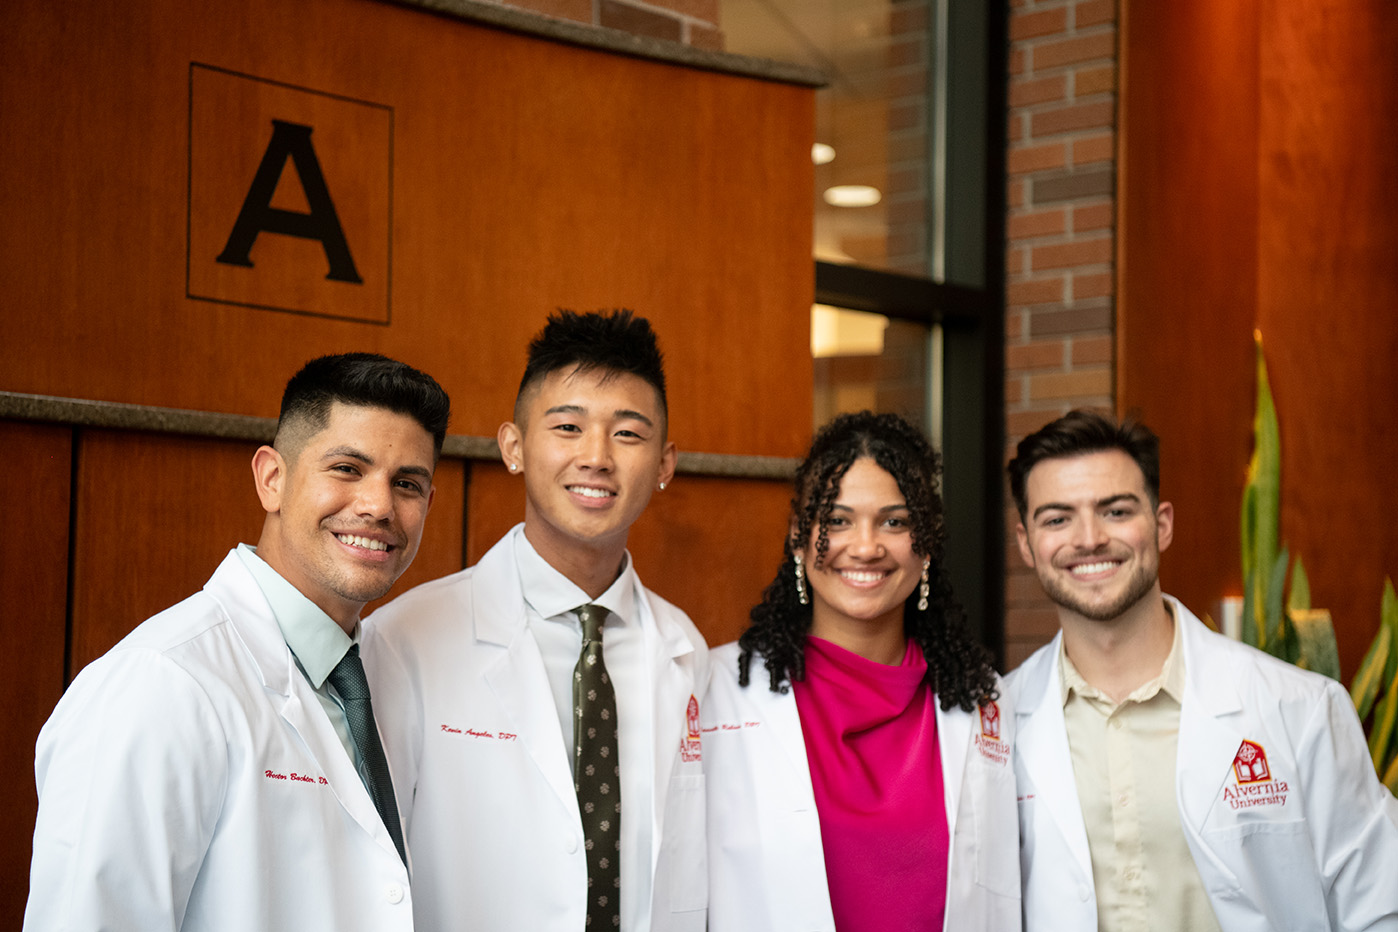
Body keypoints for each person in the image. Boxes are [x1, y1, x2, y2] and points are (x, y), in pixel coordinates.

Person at [24, 353, 451, 932]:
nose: (379, 506)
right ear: (272, 479)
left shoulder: (380, 674)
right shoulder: (161, 682)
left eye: (407, 483)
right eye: (348, 468)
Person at [364, 310, 709, 932]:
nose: (597, 457)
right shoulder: (405, 639)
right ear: (514, 447)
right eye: (568, 427)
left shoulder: (686, 649)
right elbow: (370, 869)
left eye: (628, 434)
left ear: (665, 464)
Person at [1004, 408, 1398, 932]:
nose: (1089, 538)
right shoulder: (997, 726)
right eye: (1057, 518)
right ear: (1027, 544)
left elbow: (1379, 905)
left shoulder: (1300, 709)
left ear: (1162, 525)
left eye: (1116, 511)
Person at [704, 411, 1020, 932]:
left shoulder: (984, 700)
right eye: (837, 520)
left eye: (894, 521)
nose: (866, 546)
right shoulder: (718, 692)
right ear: (798, 538)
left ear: (927, 543)